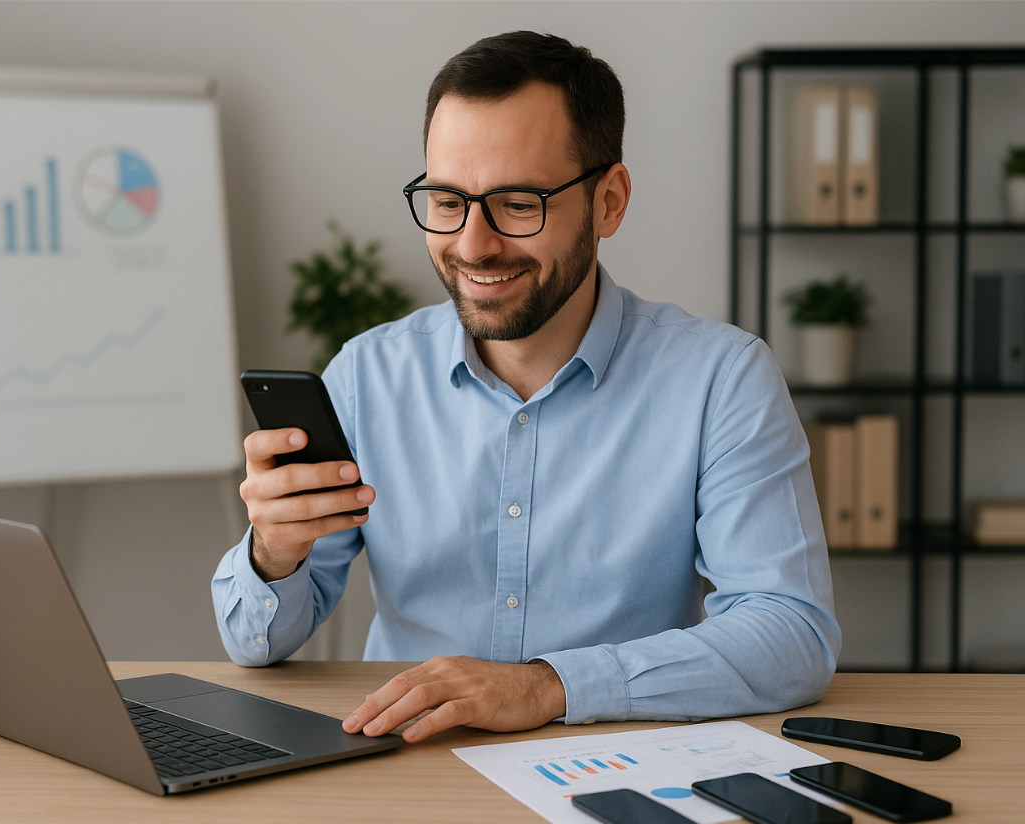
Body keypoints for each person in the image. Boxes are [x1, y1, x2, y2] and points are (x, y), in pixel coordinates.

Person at [212, 31, 840, 744]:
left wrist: (548, 686)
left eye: (517, 203)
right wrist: (274, 555)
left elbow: (793, 636)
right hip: (406, 765)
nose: (474, 245)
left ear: (609, 202)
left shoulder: (721, 380)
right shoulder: (366, 376)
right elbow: (255, 643)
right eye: (448, 200)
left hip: (617, 768)